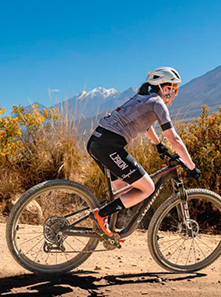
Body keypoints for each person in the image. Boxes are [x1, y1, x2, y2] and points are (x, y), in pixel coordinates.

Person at [86, 67, 200, 239]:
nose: (175, 94)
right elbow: (175, 139)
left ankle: (109, 231)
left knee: (122, 190)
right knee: (147, 187)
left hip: (96, 141)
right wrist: (191, 166)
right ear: (165, 88)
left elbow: (145, 124)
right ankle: (101, 216)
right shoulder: (157, 103)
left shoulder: (142, 98)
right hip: (109, 146)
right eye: (174, 89)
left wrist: (158, 144)